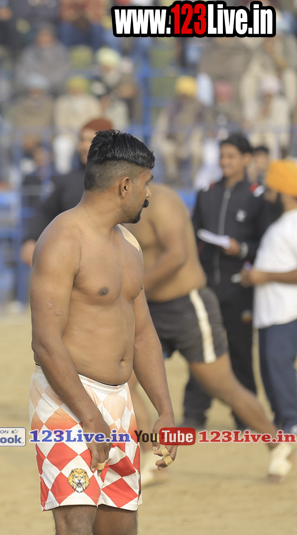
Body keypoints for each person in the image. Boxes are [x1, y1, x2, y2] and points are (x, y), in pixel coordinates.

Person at [30, 129, 177, 535]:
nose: (149, 195)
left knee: (118, 534)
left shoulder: (128, 246)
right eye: (146, 185)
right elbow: (46, 342)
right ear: (124, 184)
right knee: (75, 530)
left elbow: (142, 333)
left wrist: (164, 408)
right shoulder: (62, 239)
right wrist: (88, 416)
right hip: (67, 402)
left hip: (118, 404)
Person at [125, 183, 292, 482]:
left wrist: (131, 290)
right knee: (124, 384)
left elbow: (176, 255)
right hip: (148, 308)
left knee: (222, 386)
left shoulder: (163, 201)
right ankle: (152, 458)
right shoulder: (118, 206)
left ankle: (277, 444)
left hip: (187, 305)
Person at [186, 133, 273, 429]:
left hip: (240, 288)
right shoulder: (206, 193)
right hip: (208, 286)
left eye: (231, 156)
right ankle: (193, 414)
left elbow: (266, 243)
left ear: (246, 159)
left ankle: (245, 419)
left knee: (240, 351)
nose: (225, 162)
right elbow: (192, 236)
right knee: (201, 350)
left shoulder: (257, 196)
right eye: (222, 156)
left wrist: (243, 249)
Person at [243, 160, 297, 445]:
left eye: (271, 192)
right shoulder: (281, 224)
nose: (267, 197)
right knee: (270, 371)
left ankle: (293, 422)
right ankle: (284, 423)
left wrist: (264, 275)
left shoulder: (294, 224)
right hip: (270, 314)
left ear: (285, 194)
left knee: (279, 367)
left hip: (286, 313)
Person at [21, 118, 113, 266]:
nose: (84, 146)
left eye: (91, 140)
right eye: (82, 140)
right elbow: (45, 211)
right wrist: (30, 240)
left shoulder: (120, 181)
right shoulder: (67, 181)